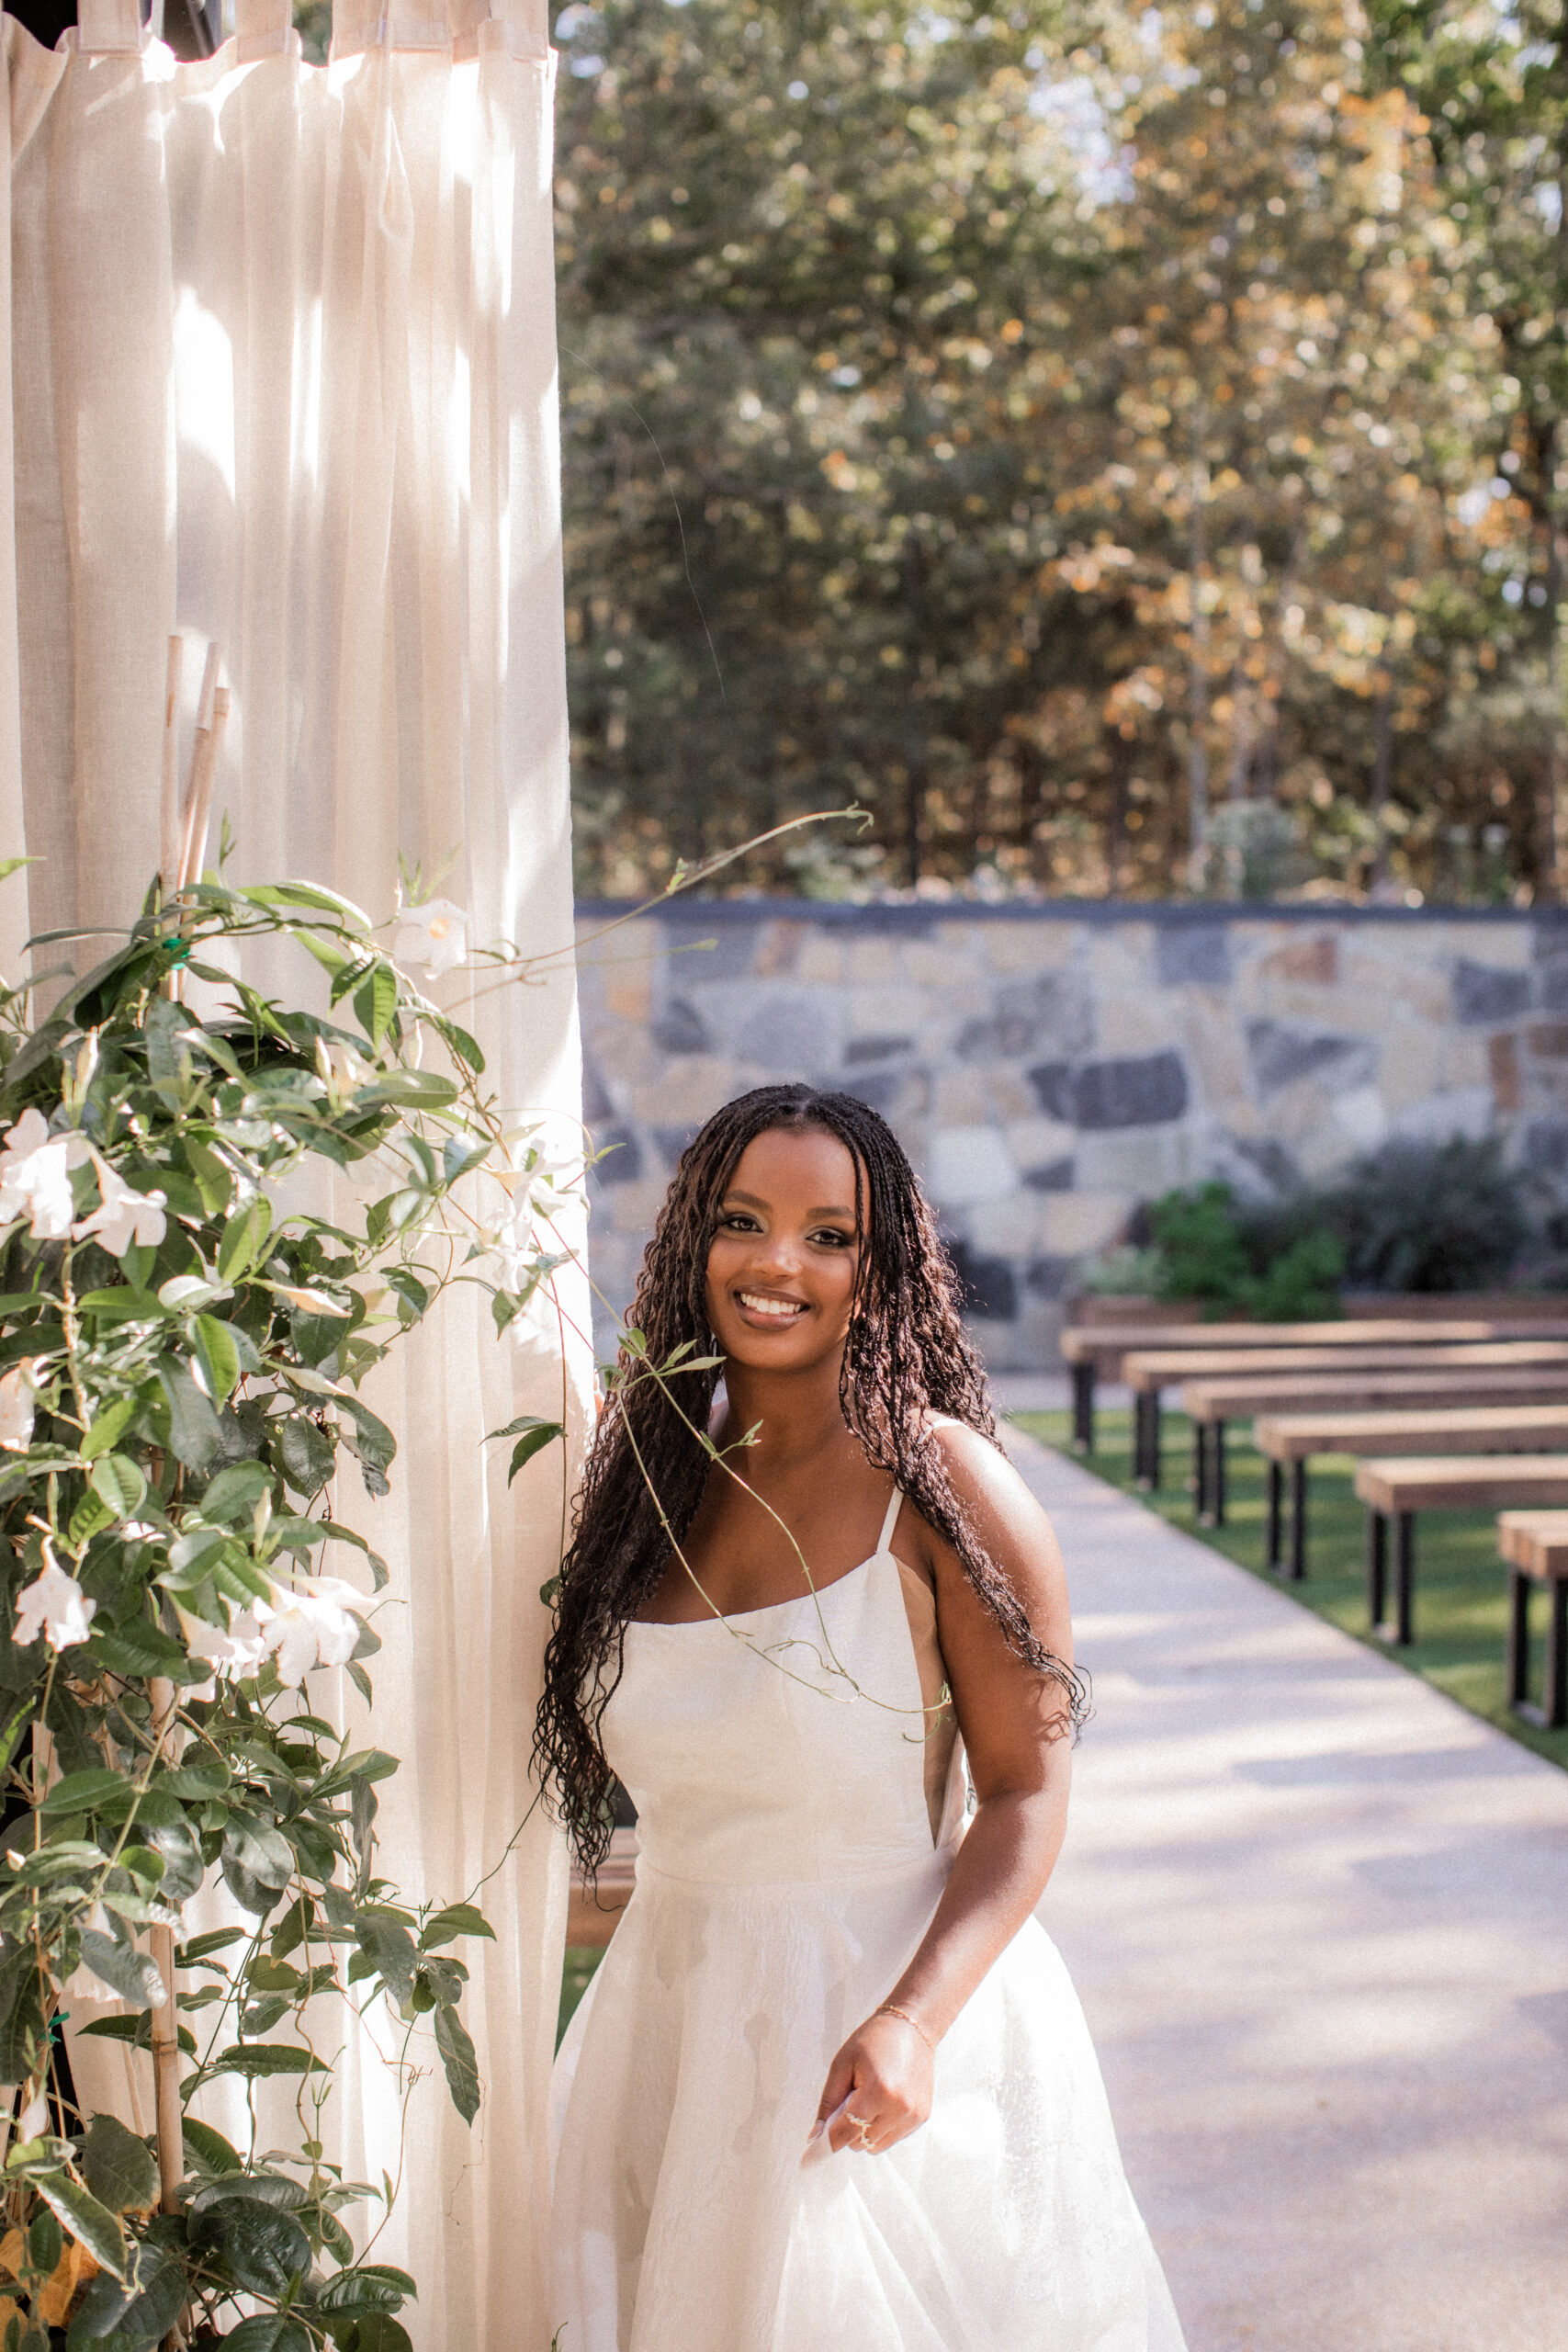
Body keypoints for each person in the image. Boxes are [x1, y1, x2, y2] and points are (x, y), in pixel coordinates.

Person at [539, 1082, 1187, 2352]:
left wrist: (913, 2022)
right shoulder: (645, 1473)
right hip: (670, 2023)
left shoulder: (943, 1486)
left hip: (877, 2040)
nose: (780, 1263)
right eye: (744, 1220)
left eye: (829, 1234)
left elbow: (1025, 1793)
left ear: (879, 1265)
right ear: (691, 1243)